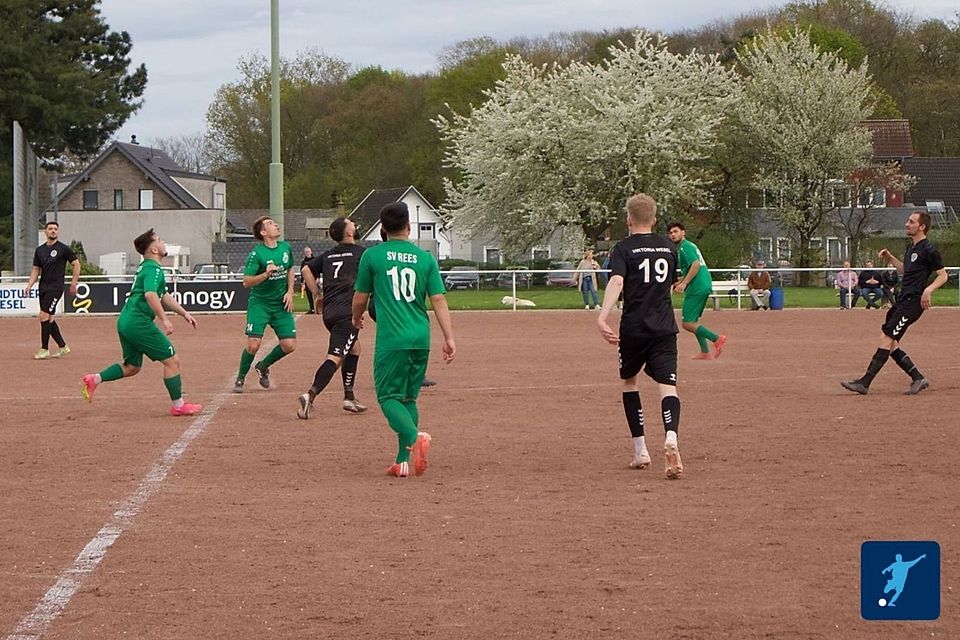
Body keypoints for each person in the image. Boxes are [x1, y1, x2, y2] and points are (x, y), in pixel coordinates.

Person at [352, 202, 456, 478]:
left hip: (392, 339)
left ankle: (414, 437)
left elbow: (360, 297)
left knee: (388, 397)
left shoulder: (372, 256)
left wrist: (355, 318)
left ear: (383, 229)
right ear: (409, 227)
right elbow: (438, 299)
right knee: (408, 398)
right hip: (421, 337)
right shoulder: (425, 259)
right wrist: (449, 337)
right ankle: (402, 461)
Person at [598, 194, 684, 479]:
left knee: (630, 382)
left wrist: (603, 316)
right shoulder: (668, 248)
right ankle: (671, 435)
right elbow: (669, 286)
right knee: (668, 386)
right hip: (665, 328)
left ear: (628, 220)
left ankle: (641, 450)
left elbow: (617, 281)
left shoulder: (623, 249)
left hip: (634, 328)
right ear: (655, 220)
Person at [80, 229, 202, 416]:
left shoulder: (146, 267)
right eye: (159, 240)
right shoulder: (153, 269)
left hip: (126, 321)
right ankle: (178, 405)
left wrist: (184, 313)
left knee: (132, 367)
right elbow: (150, 295)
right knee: (172, 361)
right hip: (138, 322)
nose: (163, 242)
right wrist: (165, 320)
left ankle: (94, 379)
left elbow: (163, 295)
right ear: (154, 250)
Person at [841, 211, 948, 396]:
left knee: (887, 339)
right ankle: (918, 378)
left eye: (911, 222)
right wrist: (890, 258)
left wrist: (928, 290)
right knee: (891, 343)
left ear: (922, 227)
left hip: (912, 303)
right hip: (902, 300)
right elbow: (907, 271)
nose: (907, 224)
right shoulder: (911, 248)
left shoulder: (929, 249)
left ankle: (865, 383)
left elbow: (943, 275)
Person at [297, 218, 368, 418]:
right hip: (347, 314)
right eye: (351, 223)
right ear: (348, 233)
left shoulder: (329, 255)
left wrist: (317, 294)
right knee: (335, 357)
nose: (354, 224)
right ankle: (310, 395)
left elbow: (305, 269)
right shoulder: (361, 253)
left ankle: (349, 397)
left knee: (354, 348)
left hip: (330, 312)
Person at [233, 216, 297, 393]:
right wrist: (265, 274)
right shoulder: (257, 255)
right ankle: (240, 378)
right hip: (260, 304)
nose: (276, 225)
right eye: (270, 224)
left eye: (274, 223)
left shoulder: (285, 247)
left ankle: (263, 366)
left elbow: (291, 268)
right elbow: (246, 282)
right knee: (253, 345)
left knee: (289, 345)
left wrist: (290, 291)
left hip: (280, 304)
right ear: (263, 232)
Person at [667, 222, 727, 360]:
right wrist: (680, 281)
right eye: (670, 233)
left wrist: (684, 283)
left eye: (676, 231)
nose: (673, 235)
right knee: (693, 321)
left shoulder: (685, 247)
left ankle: (716, 338)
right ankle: (705, 352)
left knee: (687, 323)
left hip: (697, 286)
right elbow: (691, 269)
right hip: (702, 284)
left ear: (683, 232)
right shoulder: (689, 246)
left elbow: (695, 265)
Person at [23, 221, 80, 359]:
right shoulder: (39, 250)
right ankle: (63, 346)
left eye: (55, 229)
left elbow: (76, 264)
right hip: (43, 287)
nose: (53, 231)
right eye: (50, 229)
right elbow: (36, 269)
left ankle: (44, 349)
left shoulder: (63, 249)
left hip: (55, 287)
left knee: (43, 315)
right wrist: (29, 285)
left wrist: (73, 283)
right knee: (49, 319)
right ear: (45, 232)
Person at [300, 246, 315, 314]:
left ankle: (319, 308)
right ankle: (312, 308)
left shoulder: (315, 260)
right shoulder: (303, 262)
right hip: (307, 280)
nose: (307, 253)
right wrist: (302, 281)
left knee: (316, 294)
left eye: (308, 251)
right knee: (309, 295)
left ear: (311, 252)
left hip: (314, 279)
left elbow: (318, 270)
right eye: (306, 252)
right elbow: (302, 272)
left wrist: (317, 277)